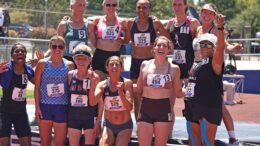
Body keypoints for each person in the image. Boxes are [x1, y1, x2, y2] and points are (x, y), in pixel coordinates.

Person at [193, 3, 241, 144]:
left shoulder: (216, 30)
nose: (207, 15)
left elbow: (225, 45)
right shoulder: (198, 30)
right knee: (198, 103)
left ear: (214, 16)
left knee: (219, 105)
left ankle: (232, 137)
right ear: (200, 13)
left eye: (210, 13)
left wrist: (234, 48)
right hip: (199, 69)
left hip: (213, 70)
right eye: (204, 12)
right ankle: (201, 135)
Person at [183, 13, 225, 145]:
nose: (204, 47)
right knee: (193, 142)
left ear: (213, 47)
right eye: (202, 44)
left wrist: (220, 28)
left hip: (209, 107)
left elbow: (220, 48)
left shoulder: (215, 62)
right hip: (193, 106)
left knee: (207, 142)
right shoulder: (197, 63)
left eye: (208, 44)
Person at [124, 0, 169, 119]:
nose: (141, 10)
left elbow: (167, 39)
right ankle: (140, 124)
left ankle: (153, 121)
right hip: (135, 63)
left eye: (144, 8)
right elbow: (125, 40)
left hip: (150, 63)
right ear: (136, 9)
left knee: (151, 95)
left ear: (149, 9)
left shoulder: (155, 24)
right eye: (139, 7)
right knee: (136, 95)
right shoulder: (130, 23)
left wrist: (160, 29)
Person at [136, 36, 184, 146]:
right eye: (158, 45)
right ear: (154, 48)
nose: (161, 47)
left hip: (163, 110)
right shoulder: (145, 65)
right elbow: (138, 89)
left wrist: (194, 89)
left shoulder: (174, 69)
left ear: (168, 50)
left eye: (164, 46)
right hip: (145, 109)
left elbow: (178, 93)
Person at [34, 35, 74, 146]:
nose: (57, 49)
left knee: (59, 143)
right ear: (50, 47)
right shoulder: (42, 64)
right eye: (54, 46)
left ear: (64, 48)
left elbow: (72, 88)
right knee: (45, 142)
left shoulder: (69, 65)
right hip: (45, 106)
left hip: (62, 107)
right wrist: (37, 107)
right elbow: (37, 86)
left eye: (60, 47)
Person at [0, 43, 34, 146]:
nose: (20, 53)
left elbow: (38, 82)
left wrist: (41, 65)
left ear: (25, 55)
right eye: (17, 51)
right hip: (4, 112)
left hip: (21, 113)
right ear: (12, 55)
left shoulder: (28, 69)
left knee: (26, 143)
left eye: (23, 51)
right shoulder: (5, 68)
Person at [95, 56, 134, 146]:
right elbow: (96, 102)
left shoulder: (127, 83)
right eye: (111, 64)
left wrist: (121, 93)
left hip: (125, 126)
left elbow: (129, 108)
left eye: (117, 64)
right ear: (107, 67)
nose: (114, 67)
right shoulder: (102, 85)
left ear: (121, 68)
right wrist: (98, 121)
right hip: (109, 125)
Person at [67, 44, 100, 146]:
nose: (81, 62)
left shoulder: (95, 76)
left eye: (84, 59)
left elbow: (94, 102)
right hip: (73, 117)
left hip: (89, 117)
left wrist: (92, 82)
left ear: (90, 60)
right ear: (74, 59)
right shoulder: (70, 75)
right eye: (78, 58)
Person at [90, 0, 128, 80]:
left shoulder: (122, 22)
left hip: (114, 55)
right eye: (108, 5)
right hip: (99, 55)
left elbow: (127, 39)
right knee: (98, 82)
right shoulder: (97, 21)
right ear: (103, 6)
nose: (111, 7)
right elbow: (90, 31)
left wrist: (122, 41)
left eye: (114, 5)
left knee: (112, 84)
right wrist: (96, 44)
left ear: (117, 7)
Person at [165, 0, 200, 82]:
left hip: (190, 65)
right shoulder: (171, 23)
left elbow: (201, 41)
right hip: (176, 65)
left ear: (185, 6)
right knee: (175, 92)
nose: (177, 7)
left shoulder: (192, 22)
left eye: (180, 5)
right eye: (174, 5)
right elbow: (163, 37)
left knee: (189, 93)